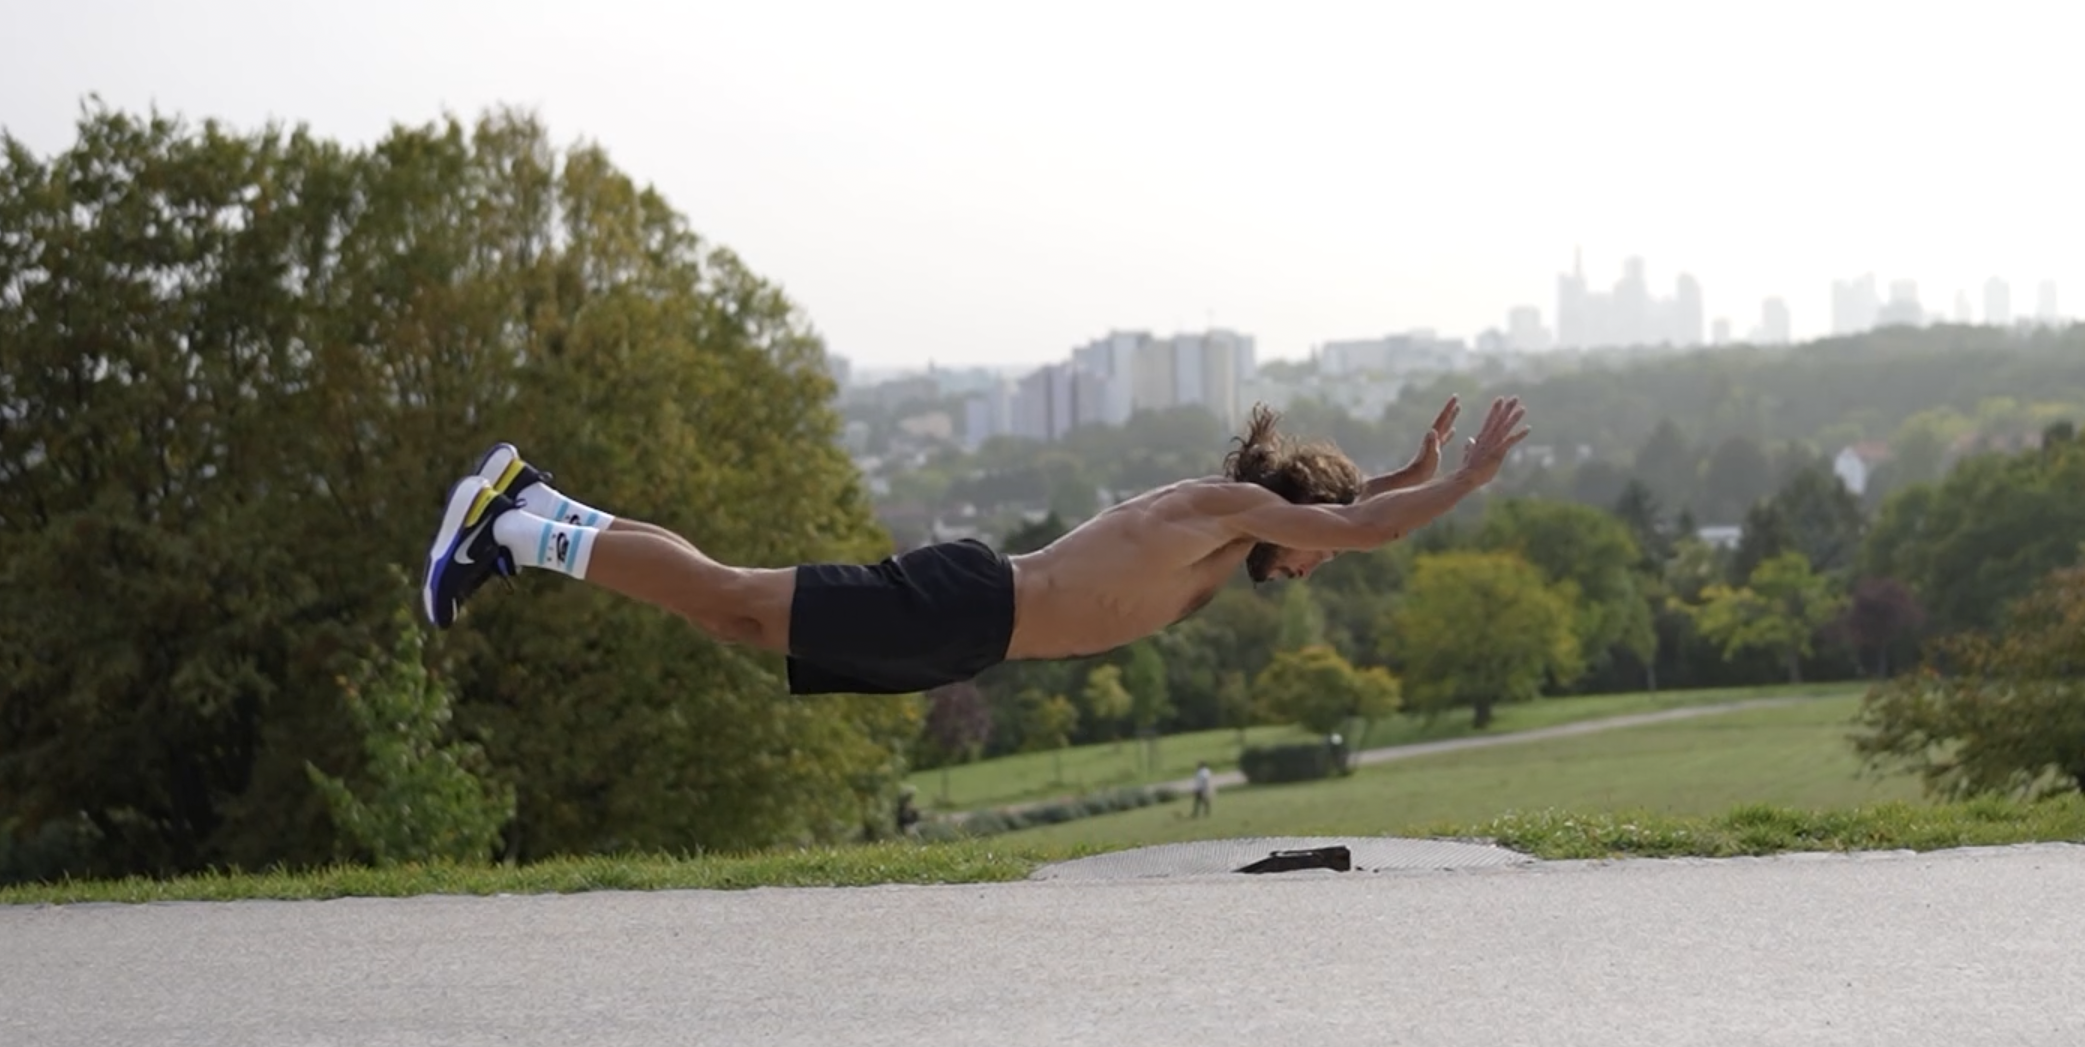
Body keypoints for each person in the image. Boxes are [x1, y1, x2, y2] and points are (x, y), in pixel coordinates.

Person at [420, 393, 1529, 695]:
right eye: (1314, 550)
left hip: (966, 633)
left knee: (735, 603)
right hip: (963, 605)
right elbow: (1354, 523)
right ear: (1292, 517)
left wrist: (1406, 470)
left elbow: (1349, 508)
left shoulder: (1230, 518)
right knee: (733, 604)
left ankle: (536, 512)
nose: (1312, 567)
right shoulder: (1223, 513)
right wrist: (1467, 478)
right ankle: (512, 527)